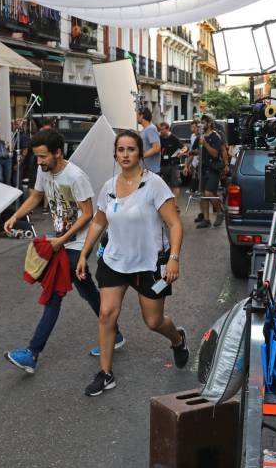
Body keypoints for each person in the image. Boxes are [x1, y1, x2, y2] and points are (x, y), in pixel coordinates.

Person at [77, 130, 188, 396]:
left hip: (149, 264)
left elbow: (174, 224)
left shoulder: (154, 184)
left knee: (153, 321)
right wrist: (84, 253)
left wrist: (173, 258)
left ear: (140, 153)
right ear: (115, 154)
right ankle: (106, 374)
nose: (125, 154)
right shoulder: (108, 186)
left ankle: (177, 339)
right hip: (114, 260)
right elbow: (99, 222)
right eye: (121, 150)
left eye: (131, 149)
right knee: (106, 314)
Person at [2, 129, 122, 374]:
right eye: (37, 157)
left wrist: (64, 239)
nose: (39, 161)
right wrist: (15, 215)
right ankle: (115, 333)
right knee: (86, 288)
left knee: (54, 294)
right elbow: (36, 196)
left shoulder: (75, 176)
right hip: (61, 240)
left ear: (58, 152)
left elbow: (88, 214)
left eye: (43, 157)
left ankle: (32, 353)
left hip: (77, 243)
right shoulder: (43, 171)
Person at [185, 115, 224, 228]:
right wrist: (188, 154)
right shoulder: (199, 137)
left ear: (209, 123)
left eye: (203, 123)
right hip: (202, 169)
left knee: (208, 193)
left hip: (213, 168)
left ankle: (220, 211)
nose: (200, 125)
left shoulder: (215, 137)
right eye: (200, 123)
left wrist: (205, 143)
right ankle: (206, 219)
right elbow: (197, 151)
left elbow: (215, 154)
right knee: (204, 194)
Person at [158, 122, 184, 196]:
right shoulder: (159, 138)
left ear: (167, 129)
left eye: (163, 129)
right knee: (164, 186)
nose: (161, 131)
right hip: (163, 165)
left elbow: (184, 148)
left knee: (175, 185)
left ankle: (175, 205)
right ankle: (168, 203)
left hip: (173, 165)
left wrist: (180, 153)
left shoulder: (174, 138)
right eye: (160, 130)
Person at [137, 108, 161, 174]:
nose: (136, 117)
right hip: (145, 170)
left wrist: (140, 156)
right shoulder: (145, 129)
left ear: (141, 116)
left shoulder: (150, 128)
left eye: (137, 115)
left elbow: (156, 148)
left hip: (151, 171)